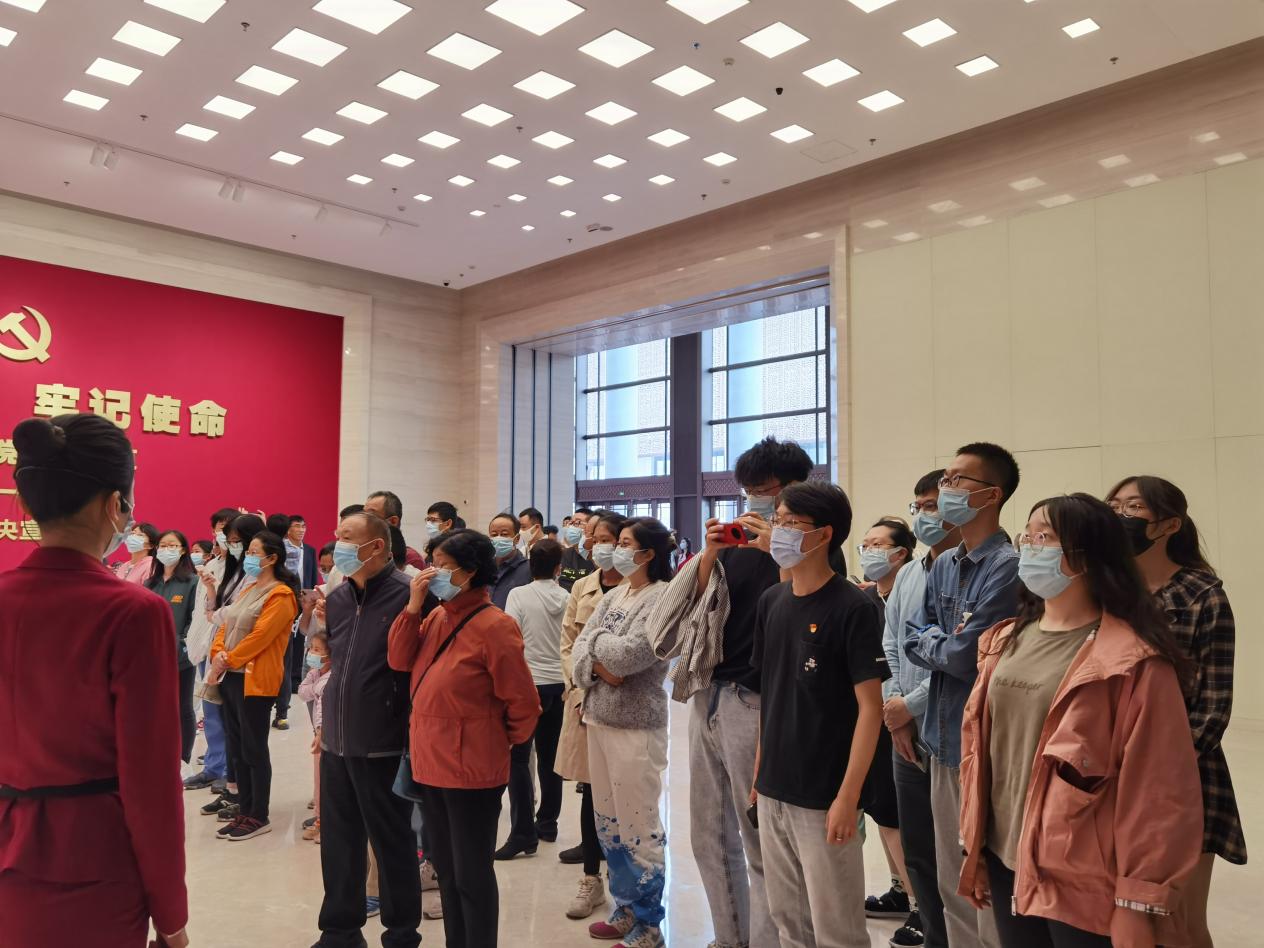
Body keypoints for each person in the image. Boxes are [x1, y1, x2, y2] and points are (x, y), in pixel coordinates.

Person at [958, 494, 1203, 947]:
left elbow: (1159, 789)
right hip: (1006, 855)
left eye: (1045, 537)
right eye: (1028, 535)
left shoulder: (1133, 660)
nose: (1030, 547)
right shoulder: (1005, 640)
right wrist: (975, 849)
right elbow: (982, 752)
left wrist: (1136, 900)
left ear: (1089, 554)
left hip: (1085, 872)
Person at [0, 414, 189, 947]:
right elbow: (151, 782)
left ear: (27, 503)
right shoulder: (133, 612)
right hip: (92, 865)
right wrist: (171, 916)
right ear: (115, 505)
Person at [644, 436, 814, 948]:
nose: (754, 500)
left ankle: (768, 941)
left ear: (794, 488)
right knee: (709, 834)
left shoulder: (807, 547)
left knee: (761, 838)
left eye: (765, 489)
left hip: (758, 701)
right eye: (748, 490)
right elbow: (693, 608)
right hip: (710, 691)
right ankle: (729, 936)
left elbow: (805, 608)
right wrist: (711, 553)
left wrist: (777, 547)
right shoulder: (735, 544)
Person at [1105, 475, 1246, 946]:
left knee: (1176, 923)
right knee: (1117, 919)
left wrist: (1157, 769)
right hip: (1104, 772)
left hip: (1179, 777)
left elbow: (1213, 708)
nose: (1120, 516)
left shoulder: (1202, 595)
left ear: (1169, 525)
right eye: (1114, 506)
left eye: (1133, 507)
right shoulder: (1106, 590)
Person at [750, 481, 887, 948]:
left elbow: (871, 709)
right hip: (774, 788)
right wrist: (760, 769)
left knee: (837, 929)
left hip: (825, 794)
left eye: (791, 523)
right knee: (788, 920)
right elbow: (770, 692)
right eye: (777, 521)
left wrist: (848, 797)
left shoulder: (853, 606)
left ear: (824, 534)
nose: (779, 531)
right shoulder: (772, 602)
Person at [388, 528, 540, 948]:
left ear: (470, 572)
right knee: (448, 872)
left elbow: (524, 704)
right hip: (430, 762)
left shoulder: (496, 626)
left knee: (472, 874)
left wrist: (492, 742)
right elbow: (399, 659)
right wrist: (413, 606)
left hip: (473, 769)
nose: (432, 572)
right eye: (431, 563)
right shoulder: (437, 616)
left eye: (443, 566)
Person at [905, 443, 1021, 948]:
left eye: (956, 481)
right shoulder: (944, 564)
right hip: (939, 740)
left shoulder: (1008, 566)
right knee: (950, 878)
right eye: (945, 479)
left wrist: (942, 643)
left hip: (981, 748)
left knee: (983, 887)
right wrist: (944, 643)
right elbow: (914, 636)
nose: (946, 489)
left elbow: (965, 656)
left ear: (991, 495)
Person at [315, 511, 426, 948]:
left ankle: (401, 933)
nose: (338, 545)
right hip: (337, 741)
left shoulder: (408, 596)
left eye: (347, 537)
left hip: (383, 742)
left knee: (392, 843)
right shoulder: (339, 598)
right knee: (339, 843)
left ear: (376, 546)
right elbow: (336, 661)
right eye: (337, 535)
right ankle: (340, 931)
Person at [572, 516, 675, 948]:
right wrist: (598, 662)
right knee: (609, 823)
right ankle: (625, 907)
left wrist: (596, 650)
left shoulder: (662, 596)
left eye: (625, 543)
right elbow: (581, 647)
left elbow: (632, 656)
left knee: (638, 825)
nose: (615, 549)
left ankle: (649, 924)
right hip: (598, 716)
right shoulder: (615, 594)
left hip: (636, 725)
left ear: (648, 553)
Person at [881, 472, 962, 948]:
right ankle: (933, 935)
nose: (925, 515)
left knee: (956, 852)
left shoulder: (979, 571)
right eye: (919, 507)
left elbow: (962, 657)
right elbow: (893, 642)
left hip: (949, 728)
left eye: (934, 505)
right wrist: (896, 707)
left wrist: (908, 707)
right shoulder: (911, 573)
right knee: (918, 850)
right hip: (905, 728)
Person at [207, 530, 300, 841]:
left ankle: (259, 814)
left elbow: (261, 637)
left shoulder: (281, 595)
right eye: (247, 552)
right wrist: (218, 654)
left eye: (254, 552)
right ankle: (244, 809)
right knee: (237, 747)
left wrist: (228, 658)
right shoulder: (249, 588)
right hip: (231, 677)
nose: (248, 557)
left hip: (255, 680)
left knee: (253, 748)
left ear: (271, 558)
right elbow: (226, 623)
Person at [857, 518, 921, 945]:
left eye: (878, 544)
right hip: (872, 717)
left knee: (900, 817)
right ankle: (900, 890)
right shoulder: (867, 601)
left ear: (901, 554)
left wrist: (903, 708)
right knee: (882, 810)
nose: (869, 551)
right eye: (865, 544)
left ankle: (921, 906)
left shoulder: (913, 598)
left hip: (906, 715)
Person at [555, 510, 622, 918]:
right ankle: (591, 877)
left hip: (625, 705)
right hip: (584, 702)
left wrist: (607, 678)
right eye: (592, 538)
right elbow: (568, 643)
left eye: (605, 538)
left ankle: (625, 877)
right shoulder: (582, 586)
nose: (595, 544)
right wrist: (581, 688)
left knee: (626, 794)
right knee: (591, 791)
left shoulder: (642, 589)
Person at [498, 539, 570, 860]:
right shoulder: (568, 597)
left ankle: (522, 831)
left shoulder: (518, 595)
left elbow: (510, 637)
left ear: (530, 565)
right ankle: (548, 824)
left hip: (529, 685)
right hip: (559, 685)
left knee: (518, 759)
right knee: (551, 758)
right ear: (558, 569)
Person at [199, 512, 267, 823]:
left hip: (247, 667)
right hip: (224, 661)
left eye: (242, 543)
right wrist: (218, 657)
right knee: (232, 734)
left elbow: (251, 627)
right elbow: (218, 617)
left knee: (250, 742)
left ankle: (252, 806)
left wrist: (228, 657)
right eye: (232, 541)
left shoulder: (270, 584)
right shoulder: (234, 570)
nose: (235, 547)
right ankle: (234, 792)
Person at [183, 507, 240, 792]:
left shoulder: (242, 567)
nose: (223, 534)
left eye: (229, 529)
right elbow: (201, 610)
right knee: (212, 712)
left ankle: (230, 771)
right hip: (206, 646)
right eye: (219, 529)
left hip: (229, 649)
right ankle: (214, 767)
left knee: (229, 713)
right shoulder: (213, 563)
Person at [149, 529, 201, 764]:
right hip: (151, 656)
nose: (166, 550)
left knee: (182, 707)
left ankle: (183, 758)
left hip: (180, 657)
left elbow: (194, 619)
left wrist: (181, 644)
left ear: (182, 551)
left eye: (172, 546)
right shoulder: (151, 583)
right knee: (156, 708)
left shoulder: (192, 582)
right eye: (162, 545)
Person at [299, 632, 332, 845]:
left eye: (317, 650)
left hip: (327, 736)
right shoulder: (315, 673)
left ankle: (328, 825)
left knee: (328, 783)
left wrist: (321, 732)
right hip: (318, 736)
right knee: (318, 782)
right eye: (311, 648)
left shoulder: (331, 677)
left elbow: (321, 706)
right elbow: (302, 692)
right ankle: (320, 821)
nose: (311, 653)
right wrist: (316, 689)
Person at [366, 490, 427, 570]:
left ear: (393, 521)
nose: (363, 519)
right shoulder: (362, 551)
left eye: (370, 514)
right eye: (363, 513)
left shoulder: (411, 559)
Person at [489, 511, 533, 608]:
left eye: (504, 534)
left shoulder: (529, 569)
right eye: (494, 534)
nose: (499, 538)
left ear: (516, 539)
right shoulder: (484, 568)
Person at [558, 507, 597, 591]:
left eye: (577, 523)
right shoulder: (566, 554)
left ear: (590, 527)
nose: (571, 527)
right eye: (571, 523)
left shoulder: (596, 554)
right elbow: (564, 581)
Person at [114, 520, 158, 584]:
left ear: (150, 545)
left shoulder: (151, 566)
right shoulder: (123, 566)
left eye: (140, 535)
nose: (133, 537)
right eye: (132, 533)